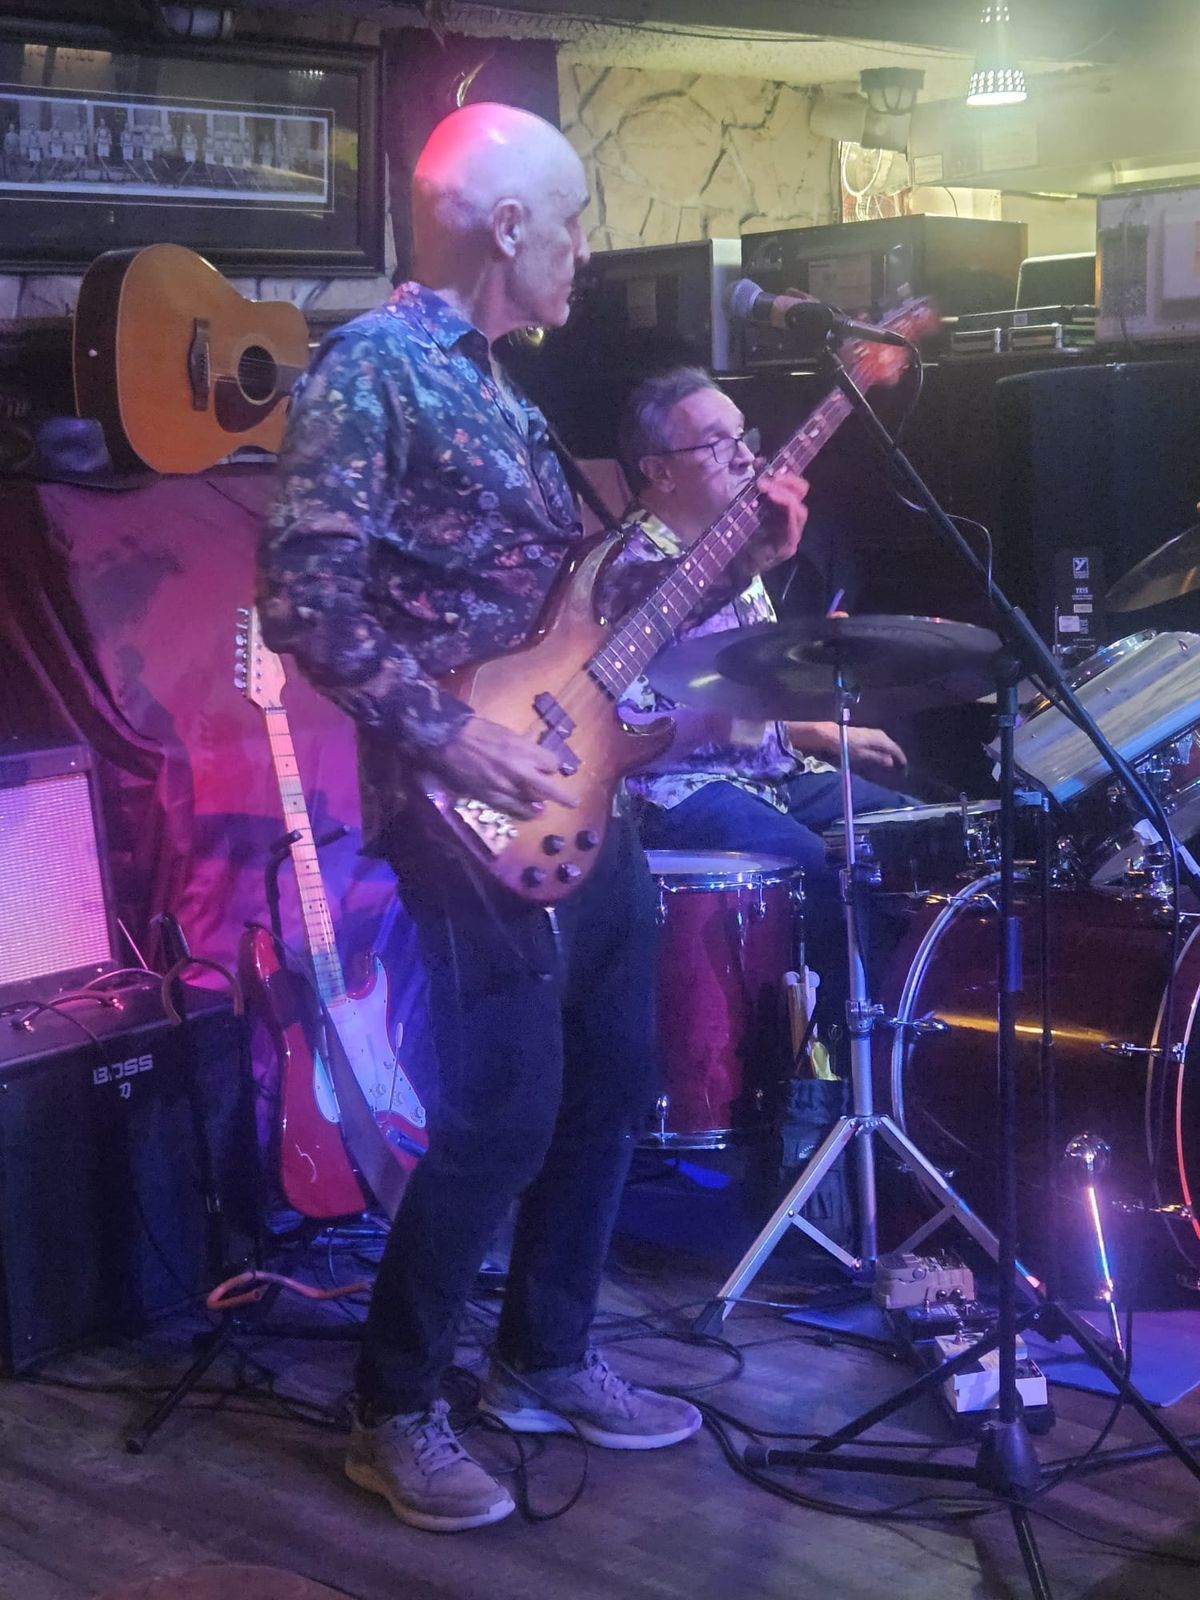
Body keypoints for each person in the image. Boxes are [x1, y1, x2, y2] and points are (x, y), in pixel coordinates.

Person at [257, 104, 807, 1534]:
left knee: (610, 1083)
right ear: (508, 226)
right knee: (501, 1113)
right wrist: (451, 734)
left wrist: (738, 550)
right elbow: (303, 597)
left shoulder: (503, 393)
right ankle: (393, 1409)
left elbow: (582, 614)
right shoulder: (375, 370)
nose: (583, 251)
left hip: (580, 792)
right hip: (462, 810)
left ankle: (545, 1359)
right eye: (570, 221)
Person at [611, 366, 916, 1014]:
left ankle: (913, 1036)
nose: (747, 456)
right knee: (814, 872)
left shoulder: (732, 553)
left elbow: (749, 709)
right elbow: (617, 729)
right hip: (675, 793)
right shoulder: (629, 571)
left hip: (766, 775)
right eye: (716, 442)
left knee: (910, 833)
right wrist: (717, 721)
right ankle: (836, 1057)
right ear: (659, 471)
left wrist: (818, 731)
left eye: (743, 435)